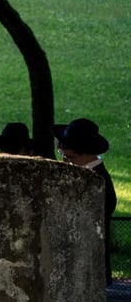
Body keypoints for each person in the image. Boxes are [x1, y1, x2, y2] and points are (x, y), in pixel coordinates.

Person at [54, 118, 117, 285]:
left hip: (89, 265)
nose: (64, 163)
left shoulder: (99, 181)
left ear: (88, 154)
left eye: (70, 158)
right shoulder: (86, 176)